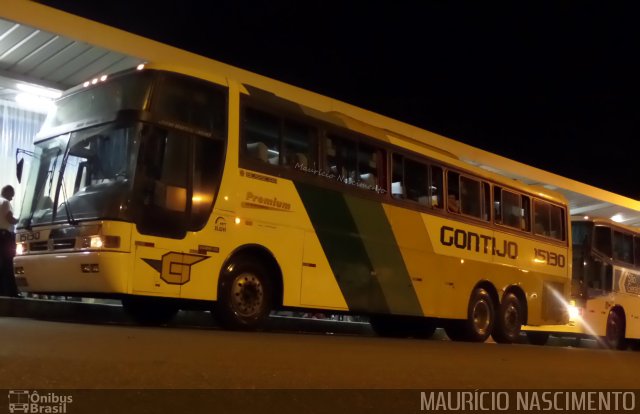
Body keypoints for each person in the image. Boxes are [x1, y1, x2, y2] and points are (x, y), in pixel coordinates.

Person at [0, 185, 19, 297]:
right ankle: (10, 292)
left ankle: (2, 291)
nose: (12, 198)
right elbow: (10, 219)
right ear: (7, 192)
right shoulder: (5, 202)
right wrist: (20, 220)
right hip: (4, 236)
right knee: (8, 263)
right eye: (12, 195)